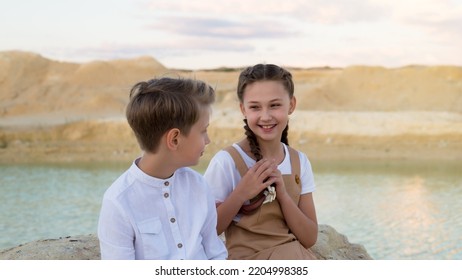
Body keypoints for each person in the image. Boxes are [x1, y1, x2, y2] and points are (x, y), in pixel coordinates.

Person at [98, 77, 227, 260]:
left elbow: (215, 253)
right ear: (174, 139)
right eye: (203, 131)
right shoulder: (118, 202)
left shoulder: (199, 186)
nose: (208, 140)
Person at [204, 64, 318, 260]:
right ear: (243, 109)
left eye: (274, 105)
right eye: (255, 107)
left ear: (291, 105)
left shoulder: (299, 162)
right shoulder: (226, 162)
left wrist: (282, 194)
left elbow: (309, 237)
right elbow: (206, 231)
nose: (265, 116)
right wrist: (241, 193)